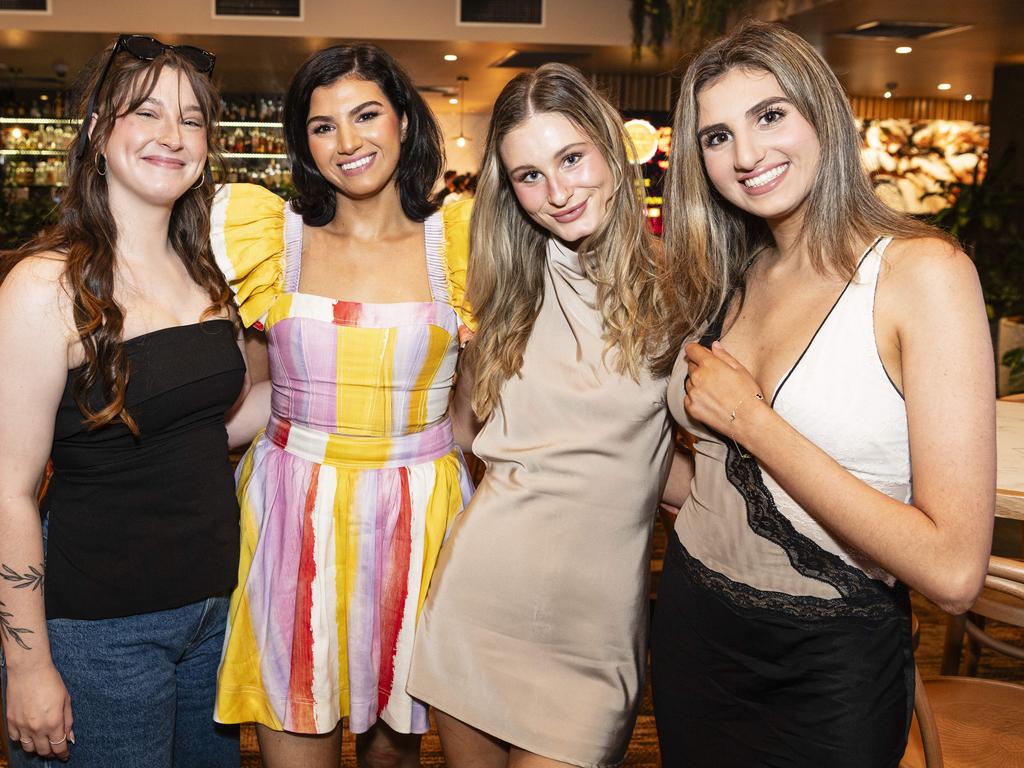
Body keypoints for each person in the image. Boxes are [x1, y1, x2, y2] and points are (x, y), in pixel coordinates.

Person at [650, 21, 995, 767]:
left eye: (770, 115)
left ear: (822, 115)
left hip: (827, 663)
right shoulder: (731, 276)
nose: (745, 155)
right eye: (715, 136)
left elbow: (954, 570)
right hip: (692, 627)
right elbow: (706, 481)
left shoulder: (919, 274)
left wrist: (751, 420)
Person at [209, 43, 475, 768]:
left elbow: (474, 411)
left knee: (395, 750)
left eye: (366, 115)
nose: (348, 141)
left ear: (404, 122)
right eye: (322, 126)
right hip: (293, 511)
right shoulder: (274, 243)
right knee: (294, 713)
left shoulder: (457, 244)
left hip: (421, 516)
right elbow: (256, 390)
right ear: (302, 142)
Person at [407, 63, 675, 768]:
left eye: (571, 158)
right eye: (528, 176)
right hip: (478, 603)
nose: (556, 193)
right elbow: (470, 434)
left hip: (595, 635)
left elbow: (666, 464)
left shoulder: (683, 290)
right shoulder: (507, 291)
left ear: (614, 152)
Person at [0, 35, 249, 767]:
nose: (173, 136)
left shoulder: (208, 272)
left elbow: (209, 422)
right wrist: (27, 666)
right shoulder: (45, 288)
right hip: (101, 631)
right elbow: (8, 492)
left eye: (193, 119)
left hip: (216, 616)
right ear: (99, 132)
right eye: (146, 112)